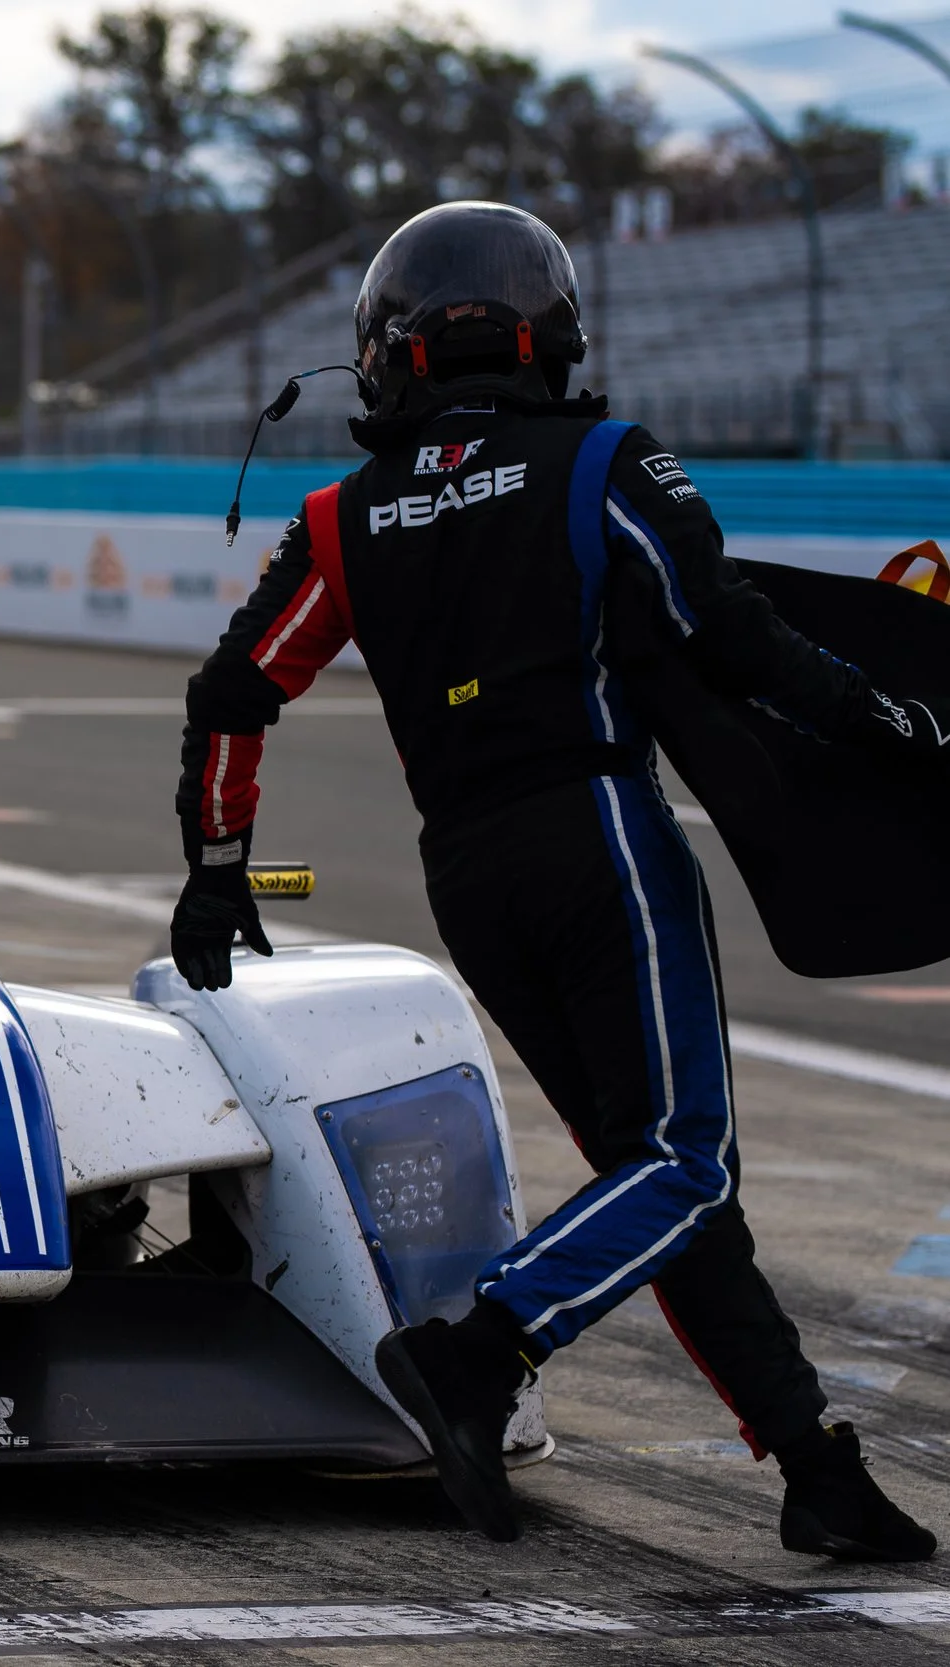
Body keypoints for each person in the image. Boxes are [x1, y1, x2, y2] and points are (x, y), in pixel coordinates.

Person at [171, 200, 936, 1561]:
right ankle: (479, 1347)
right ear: (549, 336)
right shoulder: (599, 462)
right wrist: (889, 721)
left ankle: (818, 1465)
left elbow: (235, 687)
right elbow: (730, 633)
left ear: (389, 353)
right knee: (684, 1161)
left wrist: (219, 867)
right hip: (600, 833)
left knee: (657, 1177)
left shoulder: (344, 517)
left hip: (468, 870)